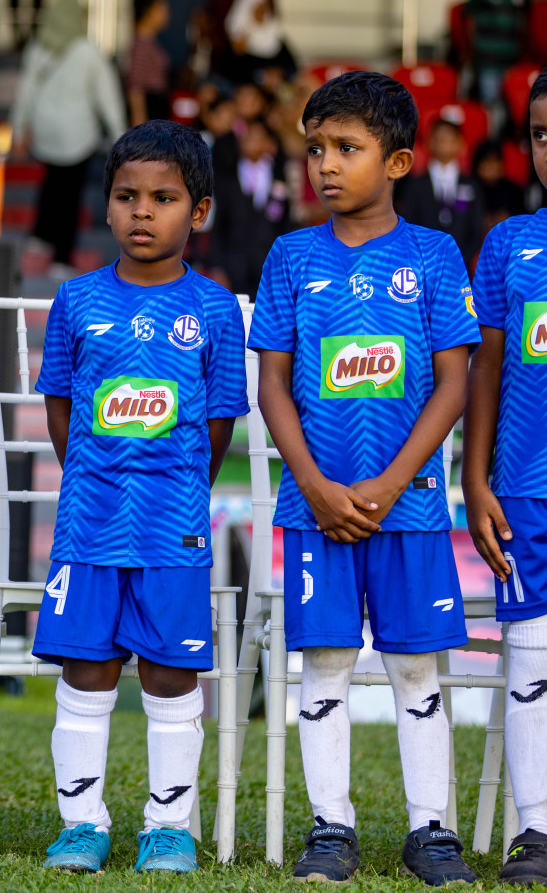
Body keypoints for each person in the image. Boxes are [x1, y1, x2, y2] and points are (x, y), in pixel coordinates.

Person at [248, 71, 479, 885]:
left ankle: (432, 831)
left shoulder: (435, 254)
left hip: (408, 508)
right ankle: (331, 829)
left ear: (401, 161)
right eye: (315, 148)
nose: (325, 164)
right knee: (328, 665)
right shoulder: (289, 256)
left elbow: (455, 381)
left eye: (347, 148)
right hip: (316, 508)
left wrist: (389, 483)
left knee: (417, 668)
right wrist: (312, 482)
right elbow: (273, 384)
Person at [31, 119, 245, 875]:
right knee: (86, 669)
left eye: (163, 198)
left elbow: (218, 427)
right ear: (107, 206)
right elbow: (61, 406)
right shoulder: (77, 300)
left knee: (169, 672)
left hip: (173, 528)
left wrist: (175, 488)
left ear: (201, 211)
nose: (142, 212)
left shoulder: (215, 310)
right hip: (88, 526)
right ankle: (81, 823)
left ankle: (168, 826)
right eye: (127, 197)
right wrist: (93, 473)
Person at [463, 69, 547, 887]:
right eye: (542, 134)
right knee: (532, 655)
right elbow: (484, 368)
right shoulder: (509, 244)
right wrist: (475, 474)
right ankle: (538, 833)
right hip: (524, 482)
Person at [9, 0, 126, 270]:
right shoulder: (88, 52)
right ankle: (62, 256)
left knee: (51, 182)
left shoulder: (38, 48)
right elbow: (108, 98)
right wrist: (120, 136)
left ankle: (40, 235)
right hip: (78, 134)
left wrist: (18, 130)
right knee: (69, 194)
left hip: (45, 131)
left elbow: (25, 93)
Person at [211, 115, 289, 295]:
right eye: (246, 138)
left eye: (257, 137)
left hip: (269, 263)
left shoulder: (278, 176)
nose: (250, 142)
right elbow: (219, 224)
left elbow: (285, 222)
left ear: (268, 143)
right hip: (233, 264)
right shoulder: (228, 176)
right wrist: (216, 267)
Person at [396, 118, 483, 267]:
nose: (443, 142)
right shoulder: (415, 185)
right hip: (424, 264)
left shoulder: (471, 185)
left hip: (460, 266)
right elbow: (409, 224)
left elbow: (476, 229)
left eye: (449, 138)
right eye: (439, 138)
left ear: (460, 144)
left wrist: (459, 259)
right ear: (429, 142)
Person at [465, 0, 531, 120]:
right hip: (488, 62)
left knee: (517, 107)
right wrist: (472, 55)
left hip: (513, 62)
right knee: (491, 107)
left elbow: (527, 22)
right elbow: (470, 24)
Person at [223, 0, 295, 86]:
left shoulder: (275, 36)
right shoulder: (236, 43)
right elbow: (232, 75)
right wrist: (261, 77)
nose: (261, 14)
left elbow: (292, 68)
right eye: (257, 10)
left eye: (264, 9)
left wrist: (279, 74)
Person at [125, 0, 171, 125]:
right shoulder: (141, 44)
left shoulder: (150, 41)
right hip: (149, 111)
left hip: (156, 109)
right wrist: (140, 129)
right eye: (161, 9)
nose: (166, 14)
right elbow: (135, 88)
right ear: (148, 11)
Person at [472, 138, 528, 230]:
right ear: (477, 165)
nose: (491, 166)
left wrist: (508, 220)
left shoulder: (514, 191)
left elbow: (524, 223)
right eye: (486, 161)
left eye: (495, 161)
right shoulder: (468, 189)